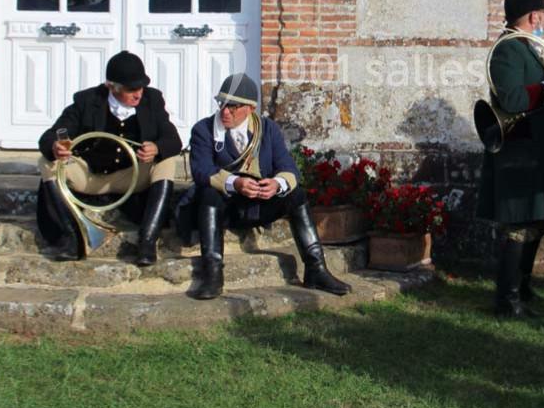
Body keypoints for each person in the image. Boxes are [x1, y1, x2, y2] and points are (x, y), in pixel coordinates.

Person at [187, 73, 351, 300]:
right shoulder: (203, 130)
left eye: (233, 107)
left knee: (297, 194)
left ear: (250, 108)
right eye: (222, 104)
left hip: (260, 205)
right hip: (227, 208)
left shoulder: (268, 129)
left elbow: (289, 169)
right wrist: (235, 183)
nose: (225, 111)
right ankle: (213, 274)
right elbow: (201, 171)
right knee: (208, 192)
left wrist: (277, 184)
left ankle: (316, 269)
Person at [477, 0, 544, 317]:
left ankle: (522, 286)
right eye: (542, 11)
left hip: (539, 145)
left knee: (540, 219)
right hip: (520, 147)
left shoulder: (530, 47)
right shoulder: (508, 49)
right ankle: (507, 299)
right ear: (533, 15)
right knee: (519, 224)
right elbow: (513, 99)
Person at [36, 51, 187, 263]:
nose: (138, 94)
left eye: (141, 87)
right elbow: (49, 136)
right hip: (91, 177)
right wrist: (55, 147)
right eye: (131, 89)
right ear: (111, 86)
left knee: (167, 161)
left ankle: (147, 241)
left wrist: (156, 148)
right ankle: (71, 236)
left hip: (132, 177)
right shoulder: (86, 101)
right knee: (46, 161)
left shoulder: (152, 99)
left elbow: (173, 140)